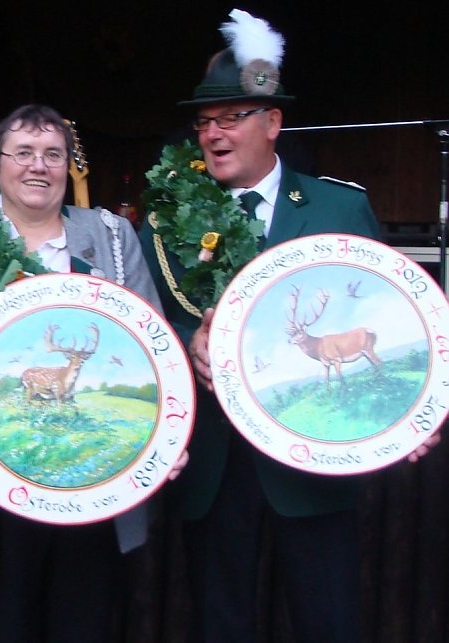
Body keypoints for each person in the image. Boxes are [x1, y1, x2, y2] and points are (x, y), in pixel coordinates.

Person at [0, 103, 186, 643]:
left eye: (54, 154)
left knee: (87, 625)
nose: (39, 166)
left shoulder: (112, 239)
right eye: (23, 153)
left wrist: (165, 436)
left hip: (95, 484)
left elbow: (155, 345)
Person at [139, 9, 382, 642]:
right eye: (204, 122)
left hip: (313, 462)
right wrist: (179, 339)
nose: (213, 134)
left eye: (230, 118)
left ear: (273, 123)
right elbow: (142, 318)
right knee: (221, 626)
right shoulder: (165, 221)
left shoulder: (338, 206)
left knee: (328, 622)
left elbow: (384, 315)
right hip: (215, 463)